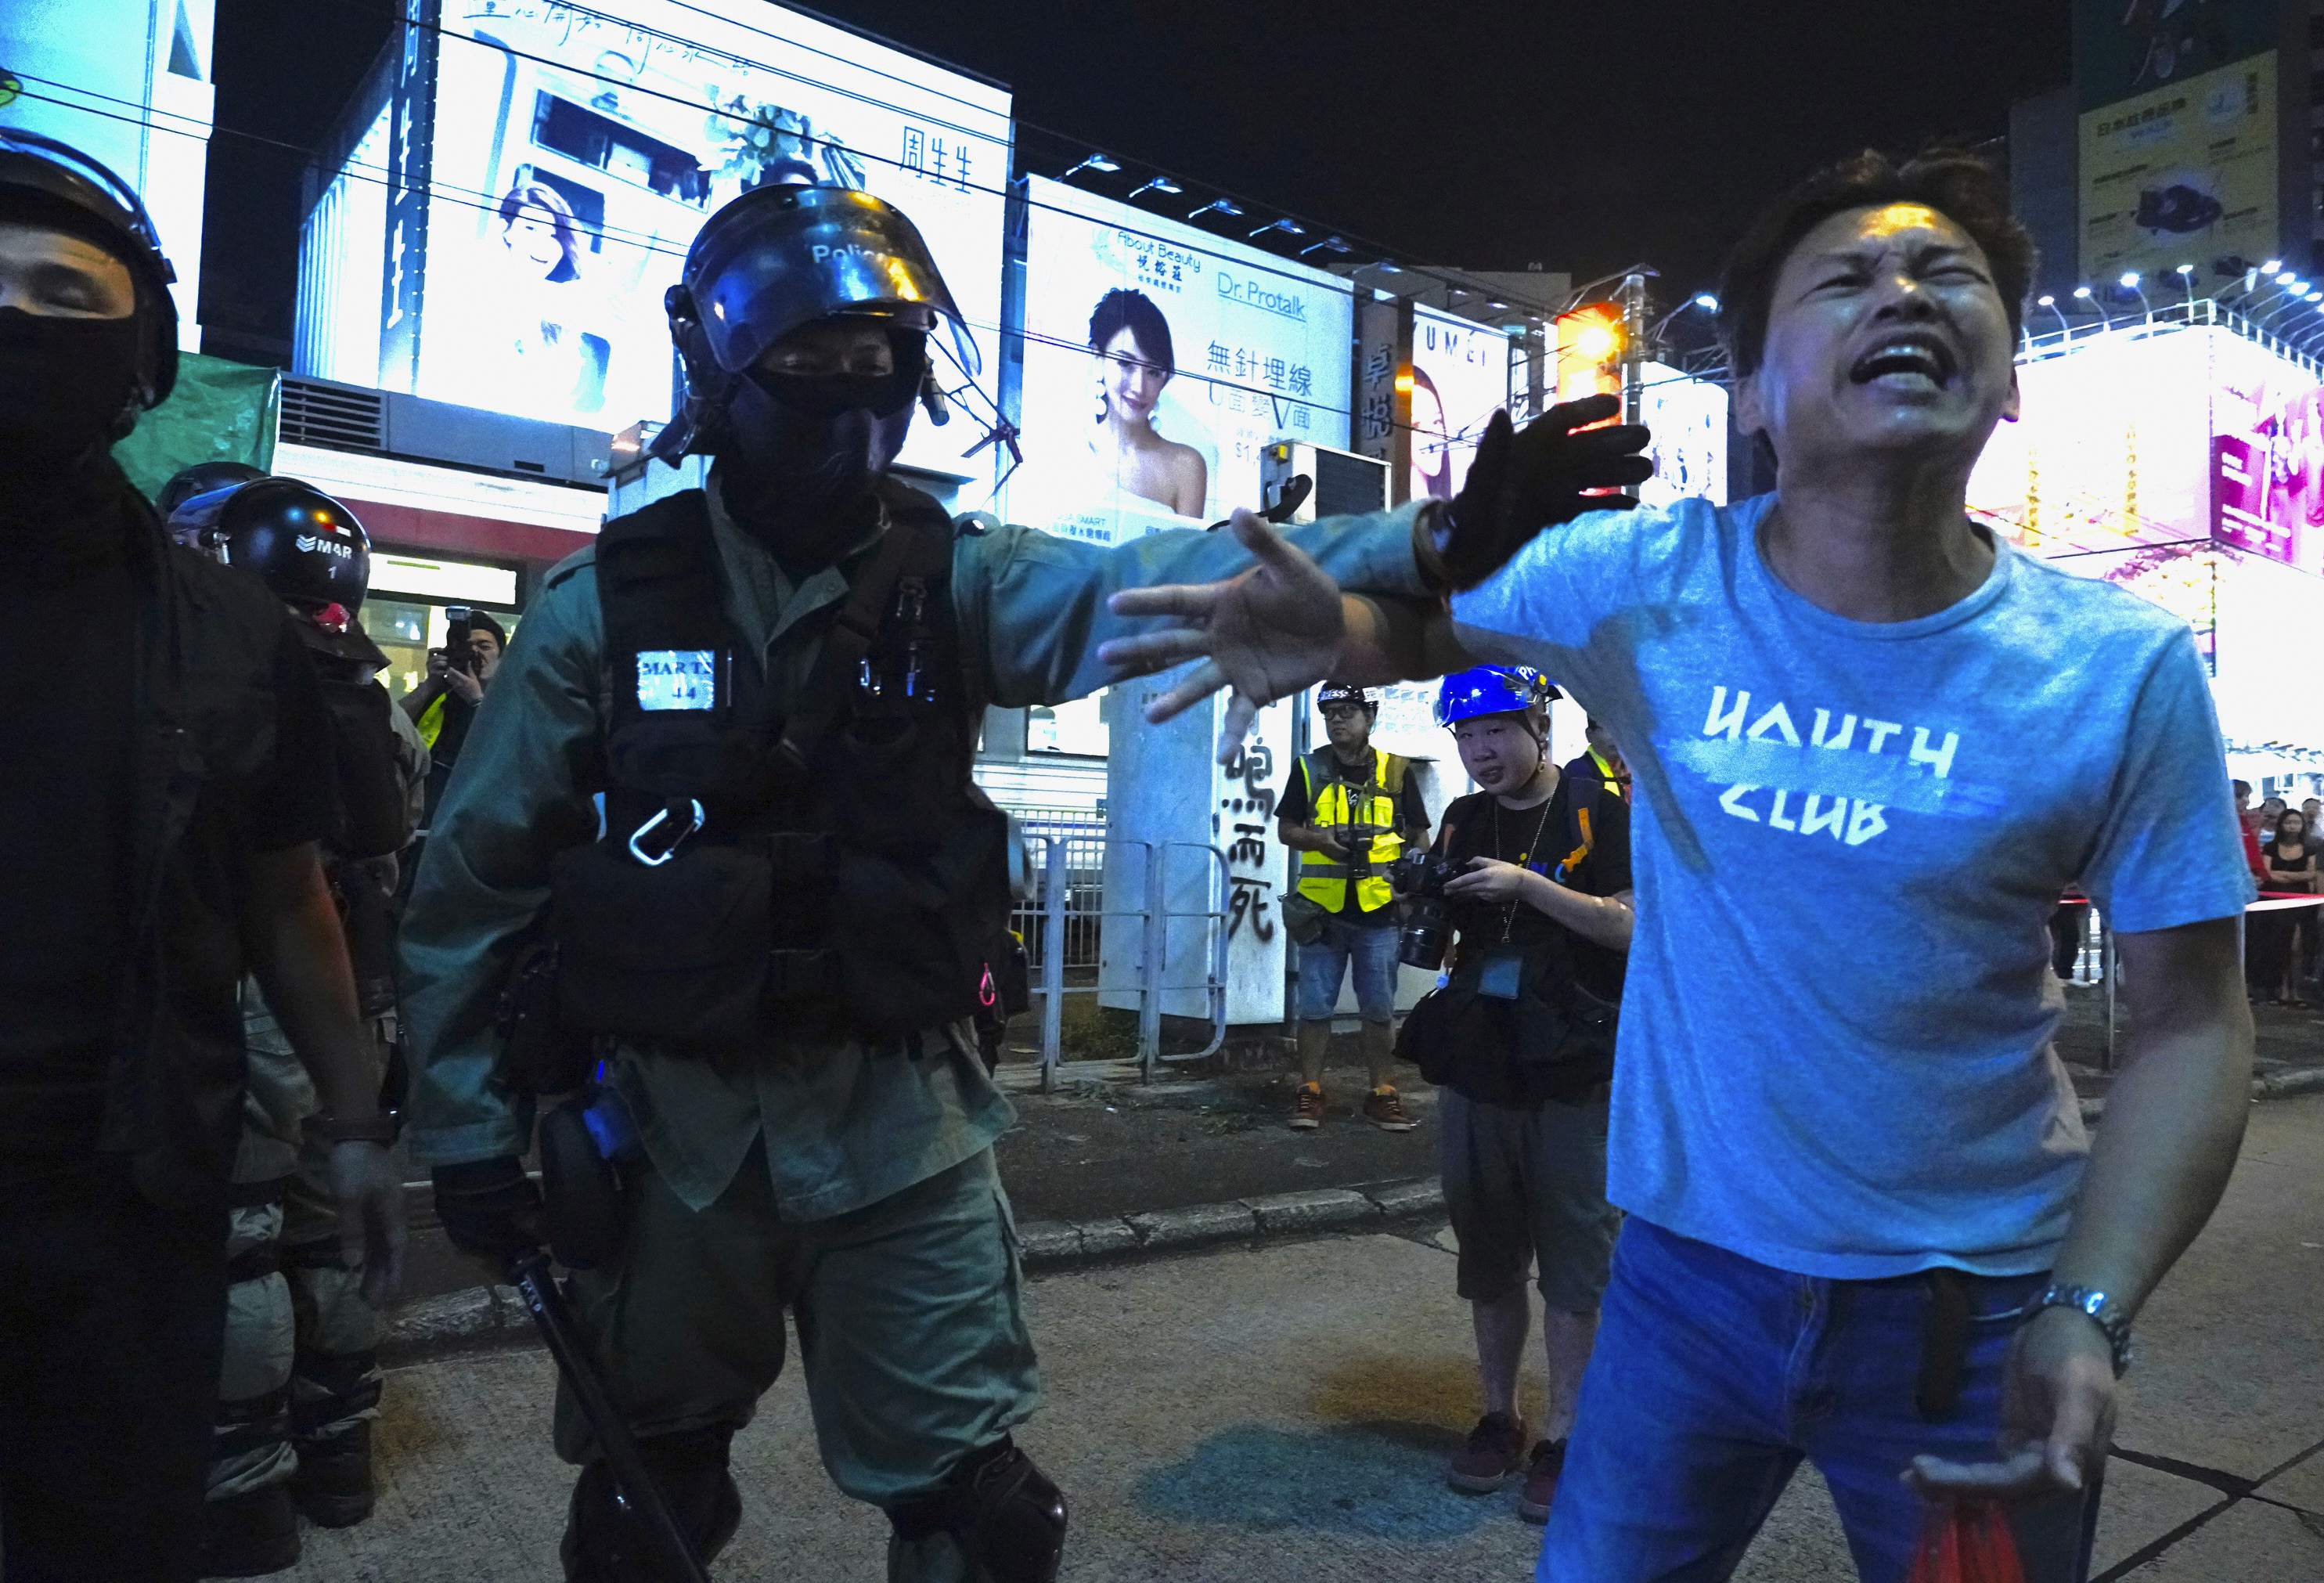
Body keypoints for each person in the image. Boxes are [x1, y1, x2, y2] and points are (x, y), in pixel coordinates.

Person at [395, 180, 1584, 1581]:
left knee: (985, 1522)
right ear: (717, 364)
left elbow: (1168, 579)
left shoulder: (954, 580)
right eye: (809, 363)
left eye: (881, 367)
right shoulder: (602, 613)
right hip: (672, 1143)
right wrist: (463, 1131)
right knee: (640, 1505)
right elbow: (472, 886)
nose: (851, 404)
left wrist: (1427, 541)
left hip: (901, 1133)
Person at [1105, 146, 2256, 1583]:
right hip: (1679, 1292)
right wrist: (1335, 635)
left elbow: (2192, 1020)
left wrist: (2086, 1305)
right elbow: (1425, 625)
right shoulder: (1652, 581)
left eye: (1942, 275)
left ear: (2008, 373)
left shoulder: (2115, 668)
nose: (1899, 291)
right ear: (1758, 394)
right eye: (1841, 279)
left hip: (1965, 1315)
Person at [0, 130, 406, 1581]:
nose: (16, 320)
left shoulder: (231, 637)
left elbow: (286, 892)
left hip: (127, 1199)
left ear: (144, 358)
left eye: (63, 290)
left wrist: (356, 1127)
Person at [168, 478, 429, 1571]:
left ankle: (244, 1500)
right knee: (330, 1240)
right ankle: (339, 1459)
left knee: (242, 1252)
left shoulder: (225, 682)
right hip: (357, 1012)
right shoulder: (370, 690)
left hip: (262, 1000)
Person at [1422, 667, 1632, 1525]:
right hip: (1483, 1061)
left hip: (1573, 1066)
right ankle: (1498, 1417)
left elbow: (1629, 923)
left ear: (1536, 727)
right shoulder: (1463, 818)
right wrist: (1423, 893)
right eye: (1466, 737)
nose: (1480, 752)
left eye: (1495, 732)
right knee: (1488, 1251)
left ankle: (1566, 1436)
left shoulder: (1596, 810)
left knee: (1576, 1260)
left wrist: (1526, 887)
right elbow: (1445, 931)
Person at [1274, 680, 1431, 1130]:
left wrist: (1412, 879)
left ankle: (1382, 1092)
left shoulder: (1398, 771)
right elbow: (1287, 830)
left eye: (1347, 711)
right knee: (1315, 1009)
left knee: (1380, 1011)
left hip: (1380, 912)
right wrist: (1320, 838)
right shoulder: (1308, 769)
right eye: (1329, 713)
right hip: (1320, 915)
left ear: (1370, 716)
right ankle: (1310, 1091)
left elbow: (1419, 835)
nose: (1337, 719)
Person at [1087, 287, 1205, 516]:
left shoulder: (1186, 466)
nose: (1139, 387)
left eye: (1153, 372)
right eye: (1125, 364)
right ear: (1098, 358)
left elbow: (1187, 552)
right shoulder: (1070, 447)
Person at [493, 182, 609, 416]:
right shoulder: (483, 292)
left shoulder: (565, 313)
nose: (543, 244)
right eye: (530, 229)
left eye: (554, 235)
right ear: (506, 229)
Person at [400, 607, 505, 827]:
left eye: (484, 646)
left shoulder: (512, 701)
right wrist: (429, 686)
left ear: (502, 658)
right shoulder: (438, 695)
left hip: (476, 820)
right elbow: (389, 724)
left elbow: (509, 755)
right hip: (418, 817)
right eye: (467, 648)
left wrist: (476, 699)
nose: (475, 653)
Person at [2258, 808, 2316, 1008]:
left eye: (2296, 822)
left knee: (2297, 946)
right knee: (2277, 944)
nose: (2293, 826)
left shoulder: (2309, 848)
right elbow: (2267, 874)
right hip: (2274, 903)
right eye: (2289, 822)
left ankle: (2295, 990)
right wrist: (2294, 875)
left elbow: (2310, 875)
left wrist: (2282, 874)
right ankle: (2279, 988)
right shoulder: (2271, 848)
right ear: (2281, 825)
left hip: (2301, 902)